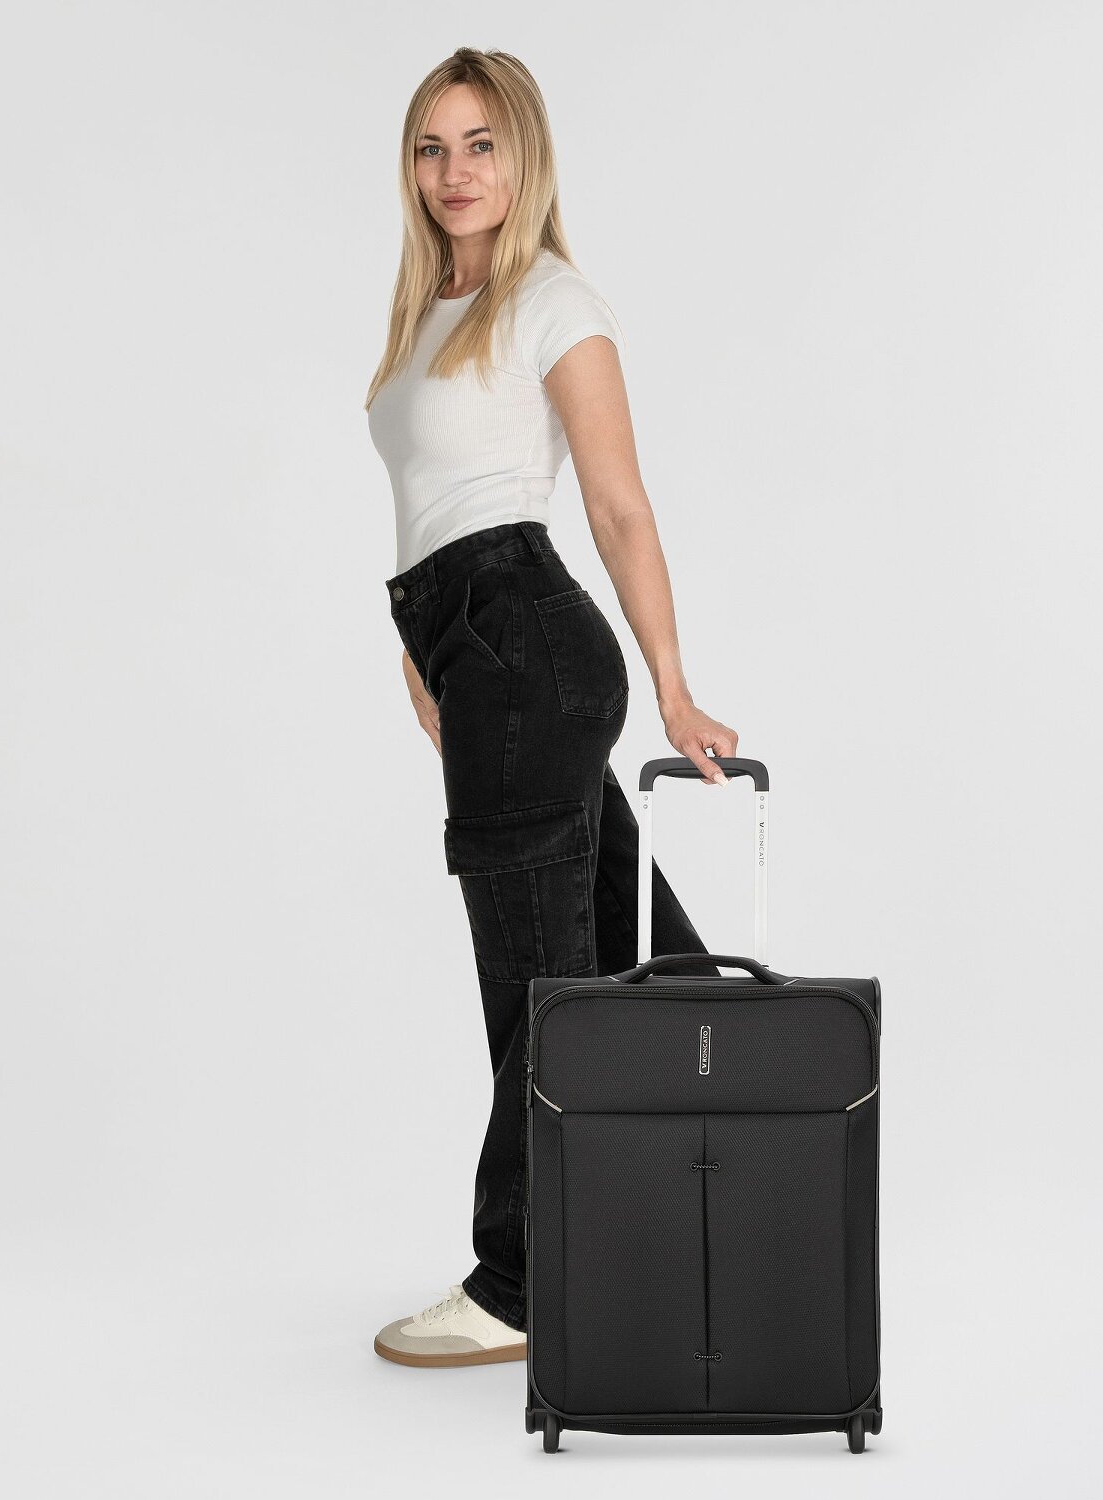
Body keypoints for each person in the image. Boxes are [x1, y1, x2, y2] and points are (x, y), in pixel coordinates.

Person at [365, 48, 736, 1368]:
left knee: (537, 987)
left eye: (481, 144)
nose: (454, 171)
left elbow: (618, 505)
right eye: (431, 146)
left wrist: (675, 687)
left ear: (524, 157)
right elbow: (429, 508)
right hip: (480, 658)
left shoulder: (550, 301)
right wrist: (421, 652)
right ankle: (732, 1182)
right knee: (651, 962)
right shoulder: (428, 312)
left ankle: (521, 1283)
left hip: (528, 651)